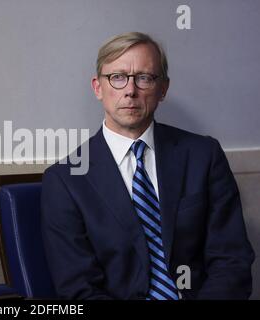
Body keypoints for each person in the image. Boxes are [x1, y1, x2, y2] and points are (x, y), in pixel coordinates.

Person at [40, 32, 255, 300]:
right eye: (117, 77)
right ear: (98, 87)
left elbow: (231, 260)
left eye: (144, 78)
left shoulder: (204, 155)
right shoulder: (65, 180)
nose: (130, 90)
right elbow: (79, 290)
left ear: (163, 89)